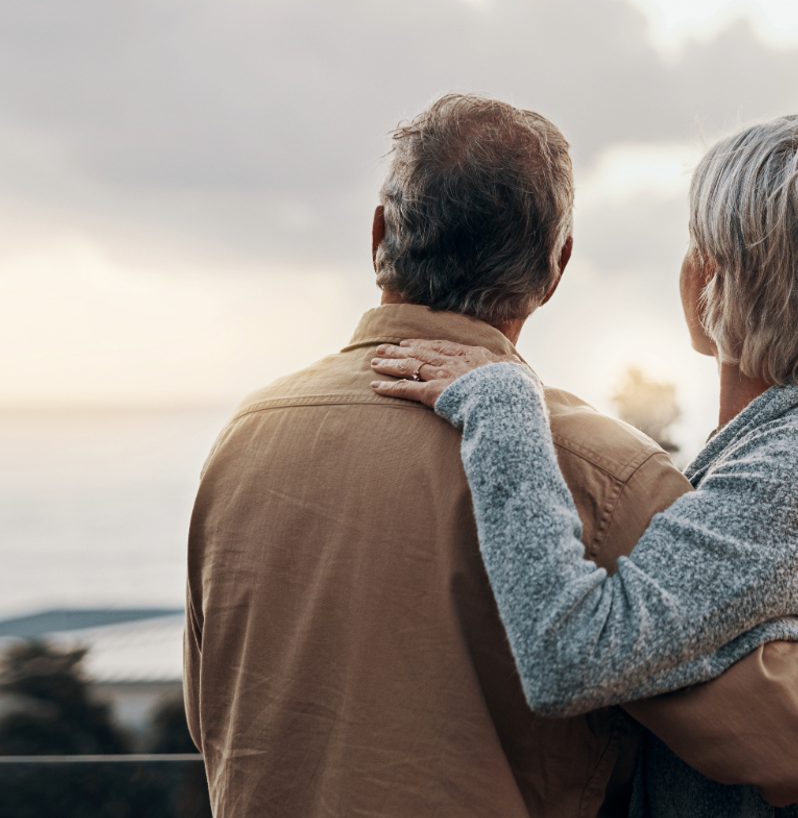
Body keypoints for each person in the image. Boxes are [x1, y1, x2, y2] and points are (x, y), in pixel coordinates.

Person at [184, 96, 798, 818]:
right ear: (556, 267)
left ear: (380, 232)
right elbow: (767, 743)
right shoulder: (604, 474)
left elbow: (210, 712)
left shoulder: (246, 438)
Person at [370, 114, 798, 815]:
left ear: (712, 279)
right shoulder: (766, 453)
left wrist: (504, 404)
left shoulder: (783, 473)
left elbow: (570, 657)